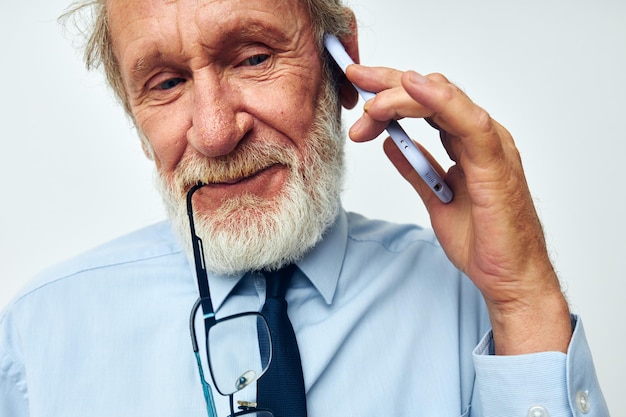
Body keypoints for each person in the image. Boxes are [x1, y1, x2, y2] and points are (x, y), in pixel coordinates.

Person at [0, 0, 609, 416]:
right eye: (165, 83)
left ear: (340, 63)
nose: (215, 133)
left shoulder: (473, 303)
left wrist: (522, 295)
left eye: (253, 57)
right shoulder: (40, 336)